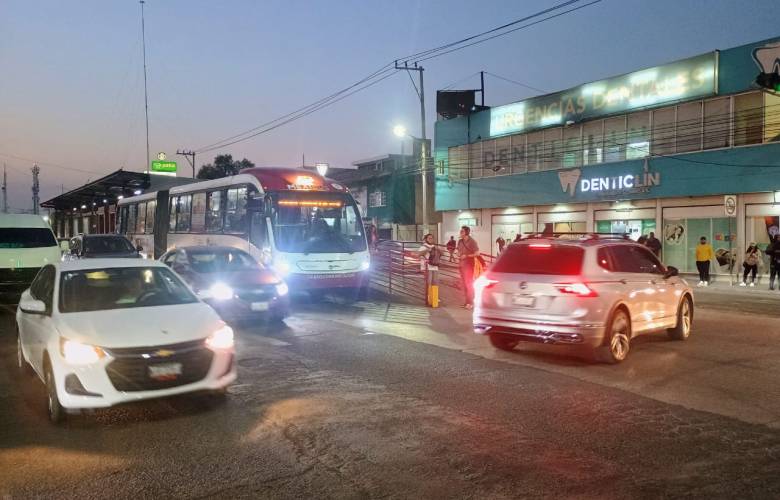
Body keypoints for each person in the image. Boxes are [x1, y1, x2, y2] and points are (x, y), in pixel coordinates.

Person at [456, 226, 480, 309]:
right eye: (460, 231)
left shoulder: (472, 241)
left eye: (462, 231)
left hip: (469, 265)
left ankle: (471, 303)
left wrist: (466, 256)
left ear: (466, 232)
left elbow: (477, 253)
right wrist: (458, 254)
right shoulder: (460, 241)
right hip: (461, 265)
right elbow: (458, 251)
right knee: (464, 285)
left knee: (469, 284)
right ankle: (466, 302)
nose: (460, 233)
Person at [418, 234, 440, 304]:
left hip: (435, 266)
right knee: (429, 282)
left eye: (431, 238)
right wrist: (427, 250)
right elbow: (419, 254)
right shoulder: (423, 246)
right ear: (426, 239)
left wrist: (438, 250)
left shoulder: (434, 246)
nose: (431, 239)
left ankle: (435, 297)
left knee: (435, 282)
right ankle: (428, 297)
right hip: (427, 267)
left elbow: (440, 253)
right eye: (429, 238)